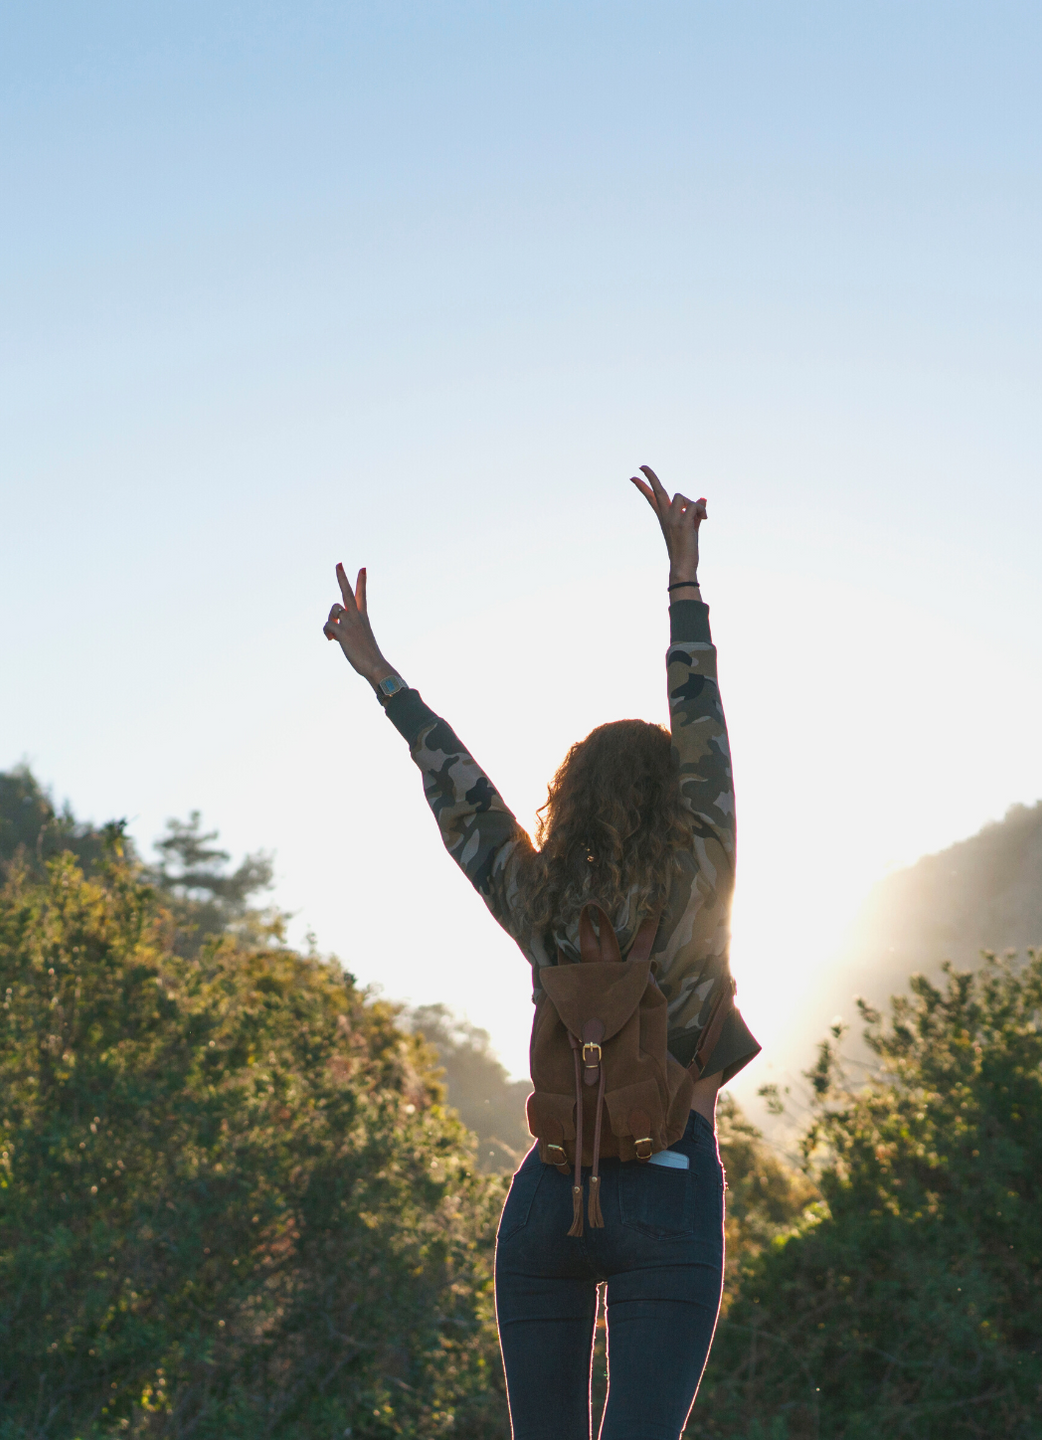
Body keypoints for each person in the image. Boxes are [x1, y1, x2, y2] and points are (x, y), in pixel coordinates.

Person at [323, 467, 760, 1440]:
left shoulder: (541, 899)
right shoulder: (701, 867)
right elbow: (705, 728)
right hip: (670, 1183)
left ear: (573, 803)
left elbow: (461, 793)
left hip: (546, 1192)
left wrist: (382, 676)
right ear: (671, 795)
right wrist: (682, 579)